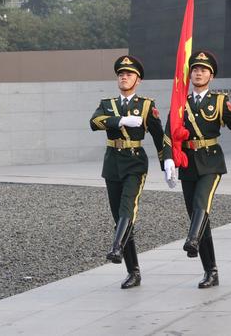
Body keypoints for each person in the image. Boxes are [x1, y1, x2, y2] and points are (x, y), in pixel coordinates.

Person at [162, 50, 231, 289]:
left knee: (201, 203)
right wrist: (168, 160)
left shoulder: (220, 101)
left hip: (211, 161)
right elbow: (168, 133)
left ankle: (192, 240)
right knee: (196, 215)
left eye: (203, 70)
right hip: (188, 163)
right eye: (195, 69)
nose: (198, 73)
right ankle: (210, 271)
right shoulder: (180, 102)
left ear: (211, 76)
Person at [89, 55, 165, 289]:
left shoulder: (146, 105)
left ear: (138, 80)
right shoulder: (107, 104)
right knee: (120, 217)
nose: (124, 77)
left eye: (129, 74)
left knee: (127, 209)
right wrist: (121, 120)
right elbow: (94, 122)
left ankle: (116, 248)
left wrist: (167, 163)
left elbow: (159, 136)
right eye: (121, 74)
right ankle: (134, 272)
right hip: (112, 162)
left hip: (134, 162)